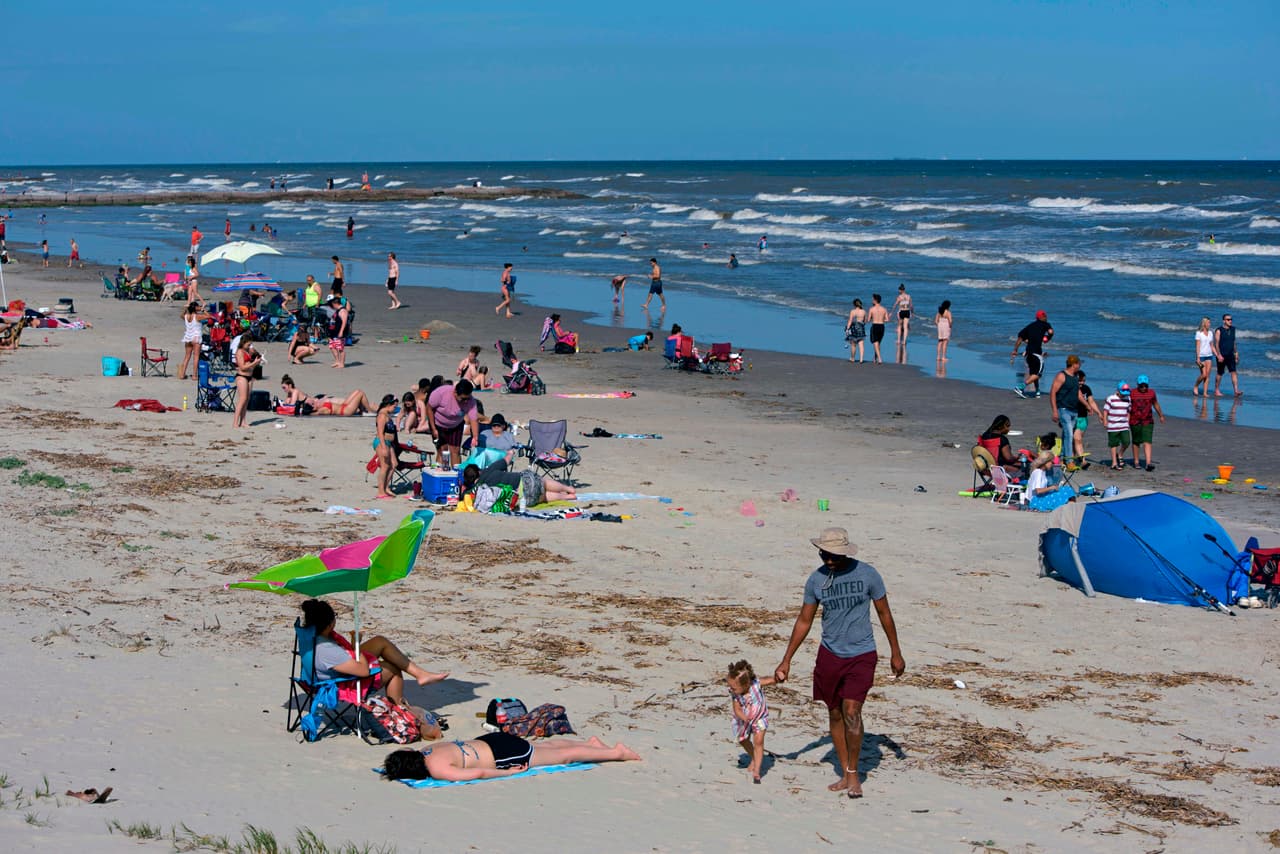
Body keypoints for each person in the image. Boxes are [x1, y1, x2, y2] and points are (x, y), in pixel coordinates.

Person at [774, 528, 904, 798]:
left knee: (852, 712)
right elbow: (804, 621)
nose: (829, 560)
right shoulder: (816, 580)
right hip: (830, 655)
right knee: (835, 713)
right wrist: (786, 660)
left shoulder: (868, 574)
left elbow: (884, 613)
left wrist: (896, 652)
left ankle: (854, 774)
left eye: (835, 556)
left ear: (846, 553)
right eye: (825, 555)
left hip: (862, 654)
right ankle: (845, 772)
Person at [300, 599, 447, 710]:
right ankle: (399, 711)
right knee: (393, 669)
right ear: (329, 624)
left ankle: (420, 674)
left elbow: (336, 656)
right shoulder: (328, 650)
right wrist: (356, 645)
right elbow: (363, 671)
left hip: (324, 672)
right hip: (338, 683)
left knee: (379, 642)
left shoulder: (309, 636)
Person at [382, 736, 640, 782]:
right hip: (491, 740)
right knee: (546, 747)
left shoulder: (437, 769)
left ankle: (616, 753)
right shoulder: (429, 750)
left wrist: (509, 772)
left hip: (501, 755)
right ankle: (591, 745)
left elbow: (478, 773)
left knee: (562, 757)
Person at [727, 659, 775, 784]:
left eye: (733, 688)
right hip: (745, 719)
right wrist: (744, 718)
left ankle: (757, 771)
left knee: (758, 741)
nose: (730, 689)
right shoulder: (736, 695)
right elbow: (737, 709)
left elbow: (771, 680)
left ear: (746, 684)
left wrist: (779, 677)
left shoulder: (756, 685)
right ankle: (754, 757)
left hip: (760, 718)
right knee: (743, 740)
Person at [460, 459, 577, 507]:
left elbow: (463, 496)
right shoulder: (489, 470)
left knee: (543, 496)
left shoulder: (477, 489)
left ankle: (567, 497)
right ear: (479, 471)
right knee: (544, 483)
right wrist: (510, 452)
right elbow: (506, 460)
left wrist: (463, 488)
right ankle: (568, 489)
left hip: (523, 496)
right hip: (524, 479)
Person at [426, 379, 479, 470]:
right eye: (463, 399)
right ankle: (440, 472)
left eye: (467, 398)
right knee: (442, 450)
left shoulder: (471, 401)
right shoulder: (441, 393)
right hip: (438, 424)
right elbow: (429, 408)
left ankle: (456, 472)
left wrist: (475, 437)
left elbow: (474, 419)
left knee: (455, 451)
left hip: (456, 425)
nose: (466, 401)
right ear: (455, 392)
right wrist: (433, 429)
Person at [1047, 355, 1085, 464]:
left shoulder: (1075, 377)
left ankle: (1063, 457)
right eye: (1079, 364)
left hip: (1074, 410)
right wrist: (1055, 411)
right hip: (1063, 409)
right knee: (1069, 435)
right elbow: (1053, 392)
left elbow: (1078, 393)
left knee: (1066, 435)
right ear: (1074, 364)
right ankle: (1069, 461)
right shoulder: (1062, 376)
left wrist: (1087, 405)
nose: (1080, 366)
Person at [280, 375, 374, 416]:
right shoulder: (320, 410)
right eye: (312, 405)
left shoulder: (295, 392)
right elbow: (311, 412)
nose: (312, 403)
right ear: (313, 408)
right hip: (346, 410)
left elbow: (291, 405)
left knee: (358, 391)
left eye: (284, 387)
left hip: (342, 405)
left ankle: (367, 409)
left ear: (290, 385)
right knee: (360, 393)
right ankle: (369, 411)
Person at [1012, 310, 1054, 398]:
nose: (1046, 317)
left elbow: (1020, 338)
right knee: (1038, 374)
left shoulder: (1030, 326)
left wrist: (1015, 350)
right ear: (1041, 317)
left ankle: (1037, 391)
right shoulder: (1045, 324)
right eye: (1044, 316)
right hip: (1036, 354)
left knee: (1033, 373)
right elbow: (1051, 332)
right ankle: (1020, 387)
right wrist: (1048, 338)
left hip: (1028, 355)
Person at [1128, 374, 1164, 471]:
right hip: (1134, 421)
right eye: (1141, 386)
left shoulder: (1151, 393)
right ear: (1138, 385)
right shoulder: (1132, 393)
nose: (1144, 388)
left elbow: (1155, 404)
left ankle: (1148, 463)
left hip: (1148, 420)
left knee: (1147, 441)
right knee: (1136, 441)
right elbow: (1126, 404)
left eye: (1145, 386)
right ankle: (1136, 462)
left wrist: (1161, 415)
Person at [1071, 369, 1102, 470]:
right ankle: (1083, 461)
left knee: (1076, 440)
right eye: (1080, 381)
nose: (1082, 383)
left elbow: (1091, 402)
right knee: (1077, 439)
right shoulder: (1071, 389)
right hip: (1073, 417)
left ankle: (1072, 459)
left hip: (1083, 418)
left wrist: (1099, 413)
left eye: (1083, 381)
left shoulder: (1086, 389)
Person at [232, 336, 263, 429]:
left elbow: (249, 364)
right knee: (242, 399)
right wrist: (254, 363)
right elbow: (242, 367)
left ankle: (243, 421)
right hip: (242, 377)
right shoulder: (239, 352)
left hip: (249, 376)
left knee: (246, 400)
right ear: (243, 343)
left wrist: (256, 362)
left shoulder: (247, 351)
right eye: (248, 344)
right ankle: (235, 422)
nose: (249, 346)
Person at [374, 394, 400, 498]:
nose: (395, 409)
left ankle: (386, 487)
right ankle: (381, 492)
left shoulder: (387, 414)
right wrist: (384, 447)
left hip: (389, 443)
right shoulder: (382, 415)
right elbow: (380, 433)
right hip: (382, 442)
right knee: (385, 466)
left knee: (394, 464)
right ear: (389, 404)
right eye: (394, 406)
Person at [1103, 382, 1133, 470]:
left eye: (1126, 393)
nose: (1124, 395)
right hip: (1113, 425)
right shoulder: (1111, 399)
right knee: (1114, 443)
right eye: (1123, 393)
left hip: (1124, 425)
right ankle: (1114, 463)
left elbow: (1128, 411)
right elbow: (1105, 411)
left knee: (1126, 442)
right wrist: (1105, 421)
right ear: (1117, 391)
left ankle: (1120, 454)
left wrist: (1128, 420)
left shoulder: (1128, 399)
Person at [1212, 313, 1241, 397]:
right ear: (1224, 321)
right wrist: (1219, 355)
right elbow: (1216, 344)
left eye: (1231, 319)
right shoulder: (1219, 330)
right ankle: (1216, 390)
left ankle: (1236, 390)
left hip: (1231, 354)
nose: (1230, 321)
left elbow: (1234, 342)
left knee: (1233, 372)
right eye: (1228, 319)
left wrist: (1236, 353)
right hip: (1222, 355)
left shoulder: (1233, 329)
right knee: (1220, 373)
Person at [177, 301, 203, 380]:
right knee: (196, 356)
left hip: (188, 337)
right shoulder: (197, 316)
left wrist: (186, 309)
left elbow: (181, 315)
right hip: (196, 337)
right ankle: (194, 375)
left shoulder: (186, 316)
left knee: (187, 356)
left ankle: (182, 374)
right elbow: (209, 316)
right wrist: (203, 310)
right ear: (196, 308)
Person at [1193, 316, 1215, 397]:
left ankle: (1205, 393)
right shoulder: (1199, 333)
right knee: (1204, 374)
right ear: (1204, 323)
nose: (1210, 324)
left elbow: (1212, 346)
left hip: (1209, 355)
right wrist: (1197, 357)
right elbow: (1197, 346)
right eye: (1208, 322)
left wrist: (1217, 355)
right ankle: (1196, 386)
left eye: (1210, 322)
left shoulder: (1210, 333)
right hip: (1201, 356)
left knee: (1208, 375)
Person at [326, 297, 350, 369]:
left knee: (340, 348)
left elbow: (344, 322)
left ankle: (342, 364)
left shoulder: (343, 311)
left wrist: (341, 332)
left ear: (335, 303)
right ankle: (337, 361)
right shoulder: (337, 310)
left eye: (332, 304)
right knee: (332, 346)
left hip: (339, 332)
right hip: (333, 332)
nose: (332, 306)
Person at [866, 294, 889, 364]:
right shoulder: (884, 309)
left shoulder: (871, 309)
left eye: (873, 299)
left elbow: (868, 319)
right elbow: (887, 320)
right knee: (878, 343)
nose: (872, 301)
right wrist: (882, 319)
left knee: (875, 342)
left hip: (875, 326)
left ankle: (880, 359)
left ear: (875, 300)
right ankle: (875, 358)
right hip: (882, 326)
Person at [845, 298, 867, 363]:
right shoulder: (864, 311)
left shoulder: (853, 311)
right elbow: (865, 321)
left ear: (854, 304)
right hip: (861, 327)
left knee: (853, 344)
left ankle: (852, 358)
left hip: (854, 327)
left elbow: (850, 321)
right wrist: (862, 324)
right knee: (861, 343)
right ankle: (861, 359)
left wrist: (847, 329)